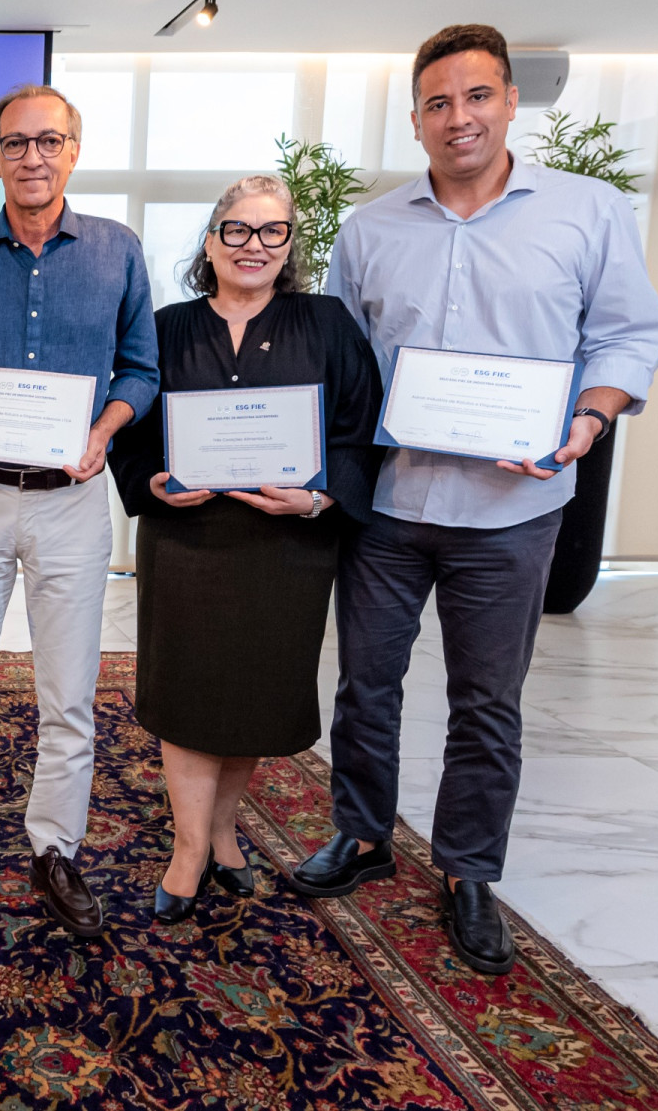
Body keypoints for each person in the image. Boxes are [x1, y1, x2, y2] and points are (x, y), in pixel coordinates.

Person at [289, 24, 658, 975]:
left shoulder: (585, 214)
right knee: (365, 686)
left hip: (511, 515)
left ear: (509, 103)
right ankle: (362, 831)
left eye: (476, 97)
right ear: (415, 117)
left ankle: (467, 870)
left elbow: (630, 336)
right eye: (438, 102)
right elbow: (339, 362)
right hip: (390, 504)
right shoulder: (372, 228)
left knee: (486, 701)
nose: (458, 117)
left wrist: (587, 419)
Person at [0, 84, 158, 938]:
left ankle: (55, 844)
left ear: (74, 150)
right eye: (16, 143)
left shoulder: (119, 251)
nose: (33, 157)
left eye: (49, 141)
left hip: (73, 502)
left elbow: (141, 368)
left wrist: (106, 428)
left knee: (67, 691)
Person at [108, 175, 381, 923]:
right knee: (191, 695)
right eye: (237, 229)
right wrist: (150, 484)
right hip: (187, 541)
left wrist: (321, 496)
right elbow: (128, 433)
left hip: (285, 549)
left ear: (291, 244)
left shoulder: (325, 324)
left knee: (252, 696)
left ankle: (226, 830)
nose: (253, 244)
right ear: (210, 239)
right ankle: (189, 848)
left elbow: (359, 432)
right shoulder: (167, 327)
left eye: (271, 231)